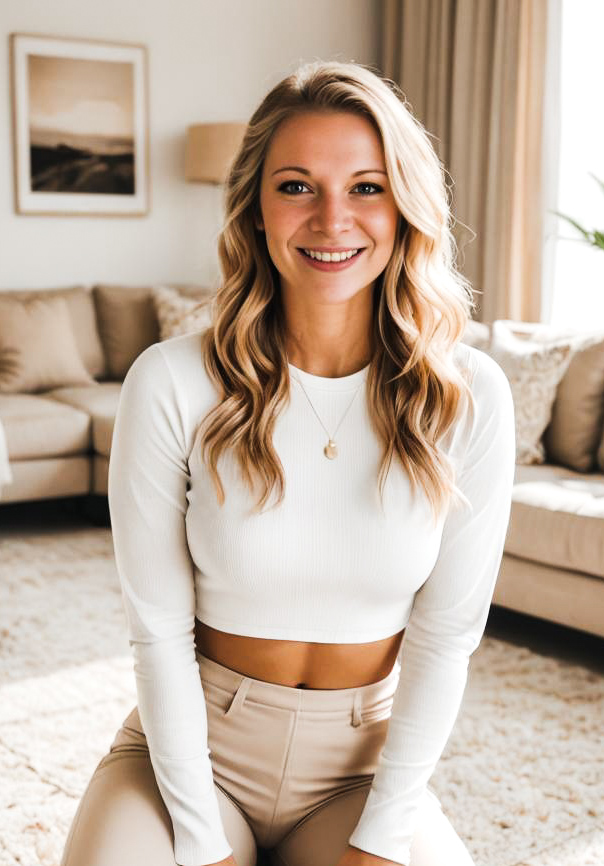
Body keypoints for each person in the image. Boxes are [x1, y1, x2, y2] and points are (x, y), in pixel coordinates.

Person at [60, 60, 515, 866]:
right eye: (297, 186)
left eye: (367, 187)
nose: (333, 218)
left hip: (360, 769)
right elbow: (158, 633)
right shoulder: (171, 382)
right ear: (256, 209)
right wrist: (201, 839)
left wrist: (381, 835)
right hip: (190, 753)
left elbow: (446, 641)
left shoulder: (468, 396)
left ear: (406, 205)